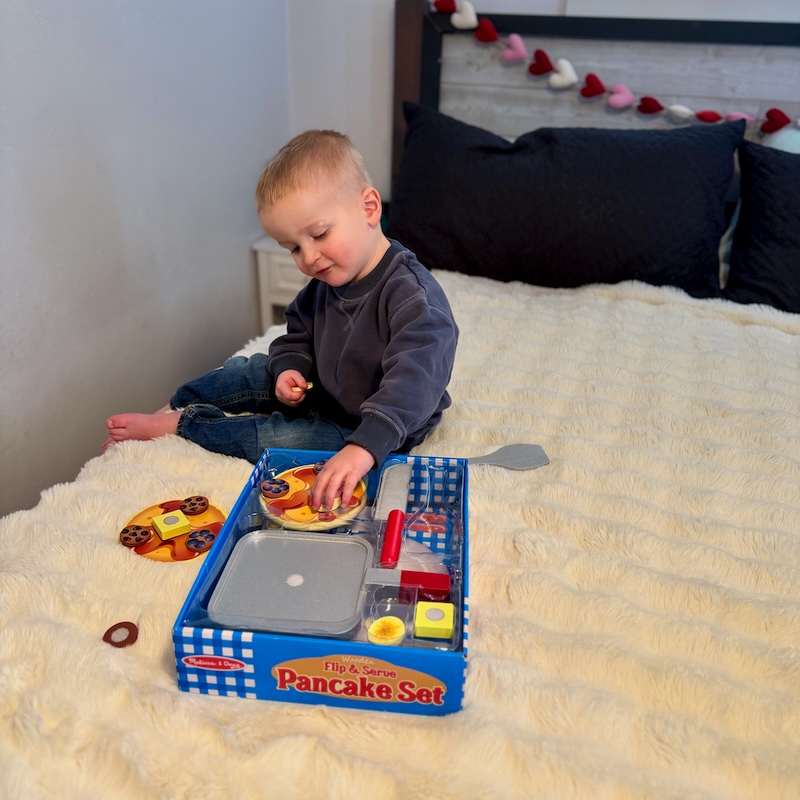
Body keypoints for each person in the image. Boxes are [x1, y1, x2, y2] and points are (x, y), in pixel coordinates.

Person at [104, 130, 458, 512]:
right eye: (293, 248)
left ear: (370, 208)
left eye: (320, 234)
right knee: (247, 370)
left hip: (374, 423)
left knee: (275, 437)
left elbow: (415, 381)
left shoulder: (413, 297)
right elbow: (298, 332)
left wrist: (363, 448)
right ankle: (177, 402)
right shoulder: (327, 279)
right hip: (321, 386)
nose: (308, 257)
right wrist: (291, 367)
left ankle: (184, 426)